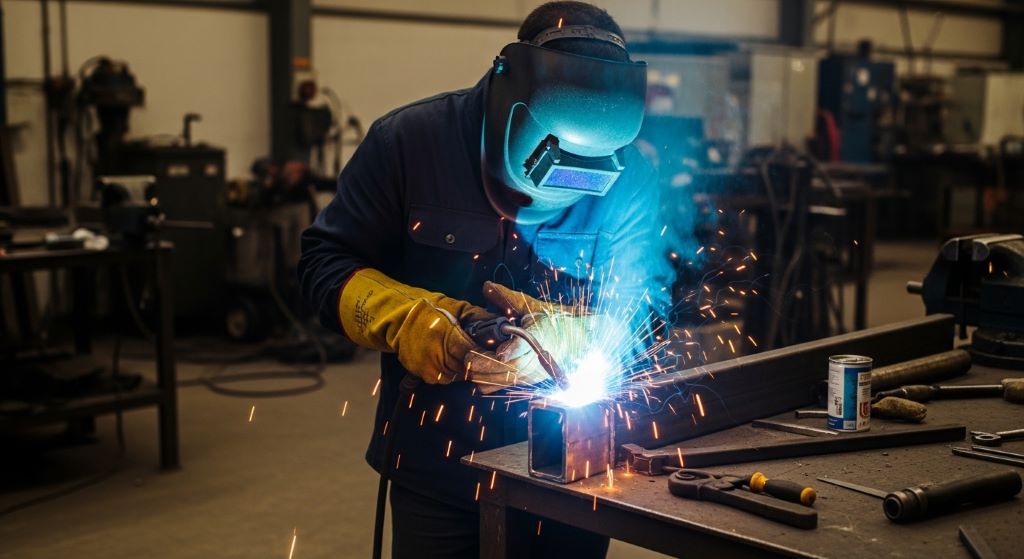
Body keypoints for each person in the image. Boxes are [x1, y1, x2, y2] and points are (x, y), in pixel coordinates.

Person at [299, 2, 672, 557]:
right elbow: (321, 265)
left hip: (574, 468)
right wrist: (405, 319)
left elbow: (651, 313)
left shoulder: (632, 177)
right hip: (437, 467)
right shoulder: (410, 143)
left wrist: (575, 337)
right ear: (510, 96)